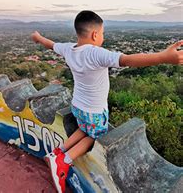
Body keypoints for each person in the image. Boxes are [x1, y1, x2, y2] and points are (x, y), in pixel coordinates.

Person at [31, 10, 182, 193]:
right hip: (94, 110)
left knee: (84, 128)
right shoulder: (96, 54)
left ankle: (57, 151)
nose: (102, 37)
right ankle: (63, 161)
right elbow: (127, 60)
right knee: (93, 136)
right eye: (102, 33)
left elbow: (51, 45)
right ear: (95, 34)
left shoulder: (69, 48)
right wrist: (163, 57)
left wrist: (38, 37)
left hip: (77, 106)